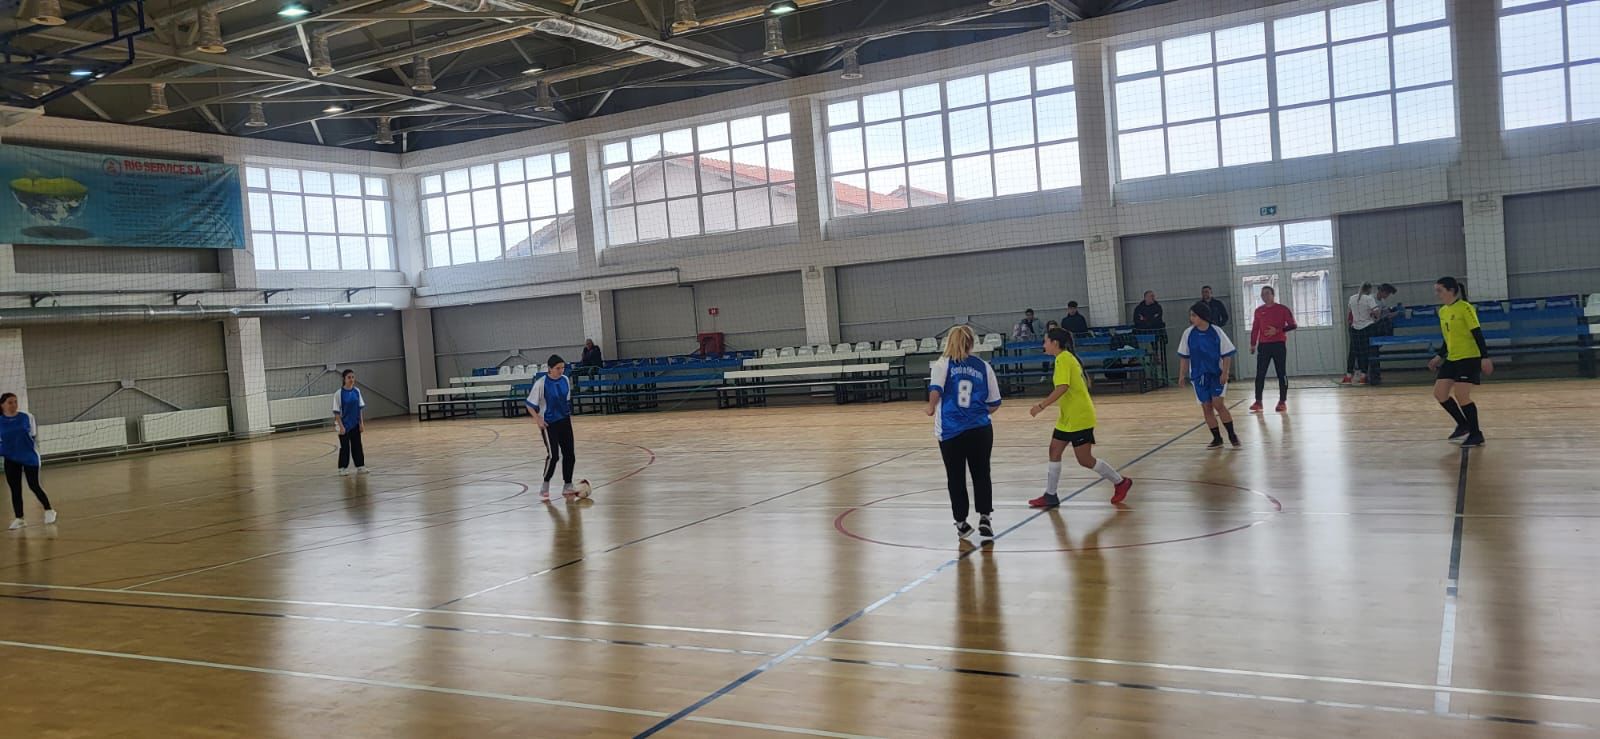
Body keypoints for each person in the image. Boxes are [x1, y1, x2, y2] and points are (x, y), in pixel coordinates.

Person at [1026, 328, 1134, 508]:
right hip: (1068, 417)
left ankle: (1121, 482)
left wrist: (1041, 406)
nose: (1043, 344)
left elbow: (1062, 387)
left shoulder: (1063, 359)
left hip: (1079, 417)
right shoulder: (1066, 358)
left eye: (1045, 341)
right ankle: (1050, 495)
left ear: (1055, 343)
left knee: (1085, 459)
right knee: (1054, 451)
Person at [926, 325, 1002, 539]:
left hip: (952, 430)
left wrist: (930, 407)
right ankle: (985, 517)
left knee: (955, 476)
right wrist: (977, 413)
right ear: (971, 343)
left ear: (949, 342)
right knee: (982, 473)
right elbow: (995, 402)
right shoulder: (983, 366)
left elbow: (936, 389)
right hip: (980, 429)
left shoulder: (942, 364)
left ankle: (961, 522)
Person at [1427, 277, 1491, 447]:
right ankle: (1463, 425)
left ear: (1451, 290)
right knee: (1440, 393)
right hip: (1452, 358)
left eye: (1440, 290)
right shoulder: (1443, 311)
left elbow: (1478, 334)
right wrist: (1439, 356)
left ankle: (1476, 434)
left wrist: (1485, 357)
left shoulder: (1466, 308)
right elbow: (1448, 337)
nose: (1437, 294)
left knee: (1462, 395)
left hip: (1469, 357)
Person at [1178, 302, 1239, 449]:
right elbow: (1184, 357)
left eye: (1194, 315)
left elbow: (1227, 355)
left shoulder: (1216, 331)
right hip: (1198, 376)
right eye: (1191, 315)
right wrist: (1181, 375)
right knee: (1207, 407)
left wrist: (1225, 373)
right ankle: (1217, 438)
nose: (1191, 318)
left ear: (1202, 316)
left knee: (1218, 404)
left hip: (1216, 374)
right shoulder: (1188, 333)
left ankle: (1232, 435)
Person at [527, 354, 579, 501]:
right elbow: (529, 405)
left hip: (565, 421)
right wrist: (538, 419)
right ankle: (545, 483)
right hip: (549, 423)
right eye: (558, 368)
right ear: (550, 368)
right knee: (553, 455)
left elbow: (565, 400)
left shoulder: (565, 380)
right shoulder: (541, 384)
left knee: (569, 454)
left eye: (562, 368)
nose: (561, 370)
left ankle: (568, 484)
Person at [1, 393, 55, 530]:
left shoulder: (27, 417)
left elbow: (33, 435)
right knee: (15, 489)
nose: (14, 405)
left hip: (28, 457)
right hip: (11, 458)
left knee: (34, 485)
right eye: (10, 402)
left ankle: (49, 510)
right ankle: (19, 518)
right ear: (2, 405)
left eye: (15, 402)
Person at [1249, 285, 1296, 413]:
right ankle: (1258, 401)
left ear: (1273, 295)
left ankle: (1282, 401)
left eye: (1267, 293)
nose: (1264, 296)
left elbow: (1293, 325)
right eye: (1262, 294)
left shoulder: (1282, 309)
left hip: (1278, 344)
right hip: (1264, 346)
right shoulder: (1259, 311)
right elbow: (1255, 328)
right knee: (1260, 374)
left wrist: (1278, 330)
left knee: (1281, 373)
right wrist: (1253, 344)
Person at [332, 369, 367, 476]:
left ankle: (360, 466)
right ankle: (342, 468)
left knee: (357, 445)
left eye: (353, 377)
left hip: (355, 424)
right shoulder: (339, 394)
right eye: (349, 377)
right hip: (344, 425)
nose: (351, 379)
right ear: (344, 379)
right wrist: (341, 427)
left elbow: (359, 408)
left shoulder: (357, 391)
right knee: (345, 447)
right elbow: (336, 412)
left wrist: (361, 423)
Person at [1344, 283, 1380, 384]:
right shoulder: (1369, 298)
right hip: (1367, 327)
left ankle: (1348, 376)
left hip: (1355, 328)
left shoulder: (1352, 298)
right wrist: (1376, 318)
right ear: (1369, 290)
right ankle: (1363, 376)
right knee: (1365, 352)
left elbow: (1349, 313)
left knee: (1353, 351)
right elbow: (1377, 312)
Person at [1367, 284, 1400, 385]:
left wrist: (1396, 313)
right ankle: (1373, 376)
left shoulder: (1382, 301)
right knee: (1373, 352)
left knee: (1375, 352)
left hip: (1375, 326)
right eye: (1387, 294)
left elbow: (1386, 314)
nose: (1387, 296)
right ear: (1382, 292)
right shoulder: (1370, 299)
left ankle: (1375, 375)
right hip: (1369, 327)